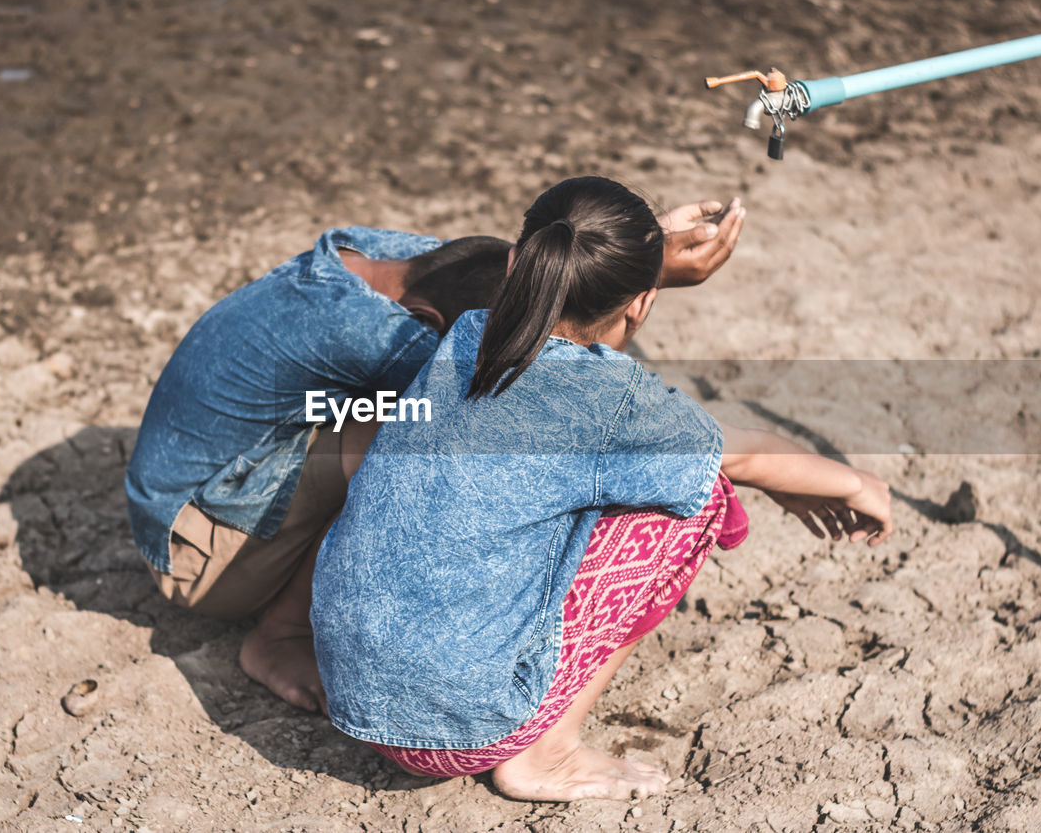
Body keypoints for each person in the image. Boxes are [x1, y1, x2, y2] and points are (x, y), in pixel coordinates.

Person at [310, 177, 891, 802]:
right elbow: (742, 452)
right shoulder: (615, 405)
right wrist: (856, 482)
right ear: (643, 302)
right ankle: (548, 755)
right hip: (453, 731)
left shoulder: (467, 336)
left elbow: (568, 260)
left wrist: (644, 239)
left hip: (348, 689)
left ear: (516, 262)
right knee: (698, 501)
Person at [124, 209, 745, 713]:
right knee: (403, 431)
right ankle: (278, 638)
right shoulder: (384, 333)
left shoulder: (392, 259)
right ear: (428, 322)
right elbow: (551, 408)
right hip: (191, 550)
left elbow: (546, 266)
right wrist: (636, 299)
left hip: (216, 477)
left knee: (416, 421)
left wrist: (636, 249)